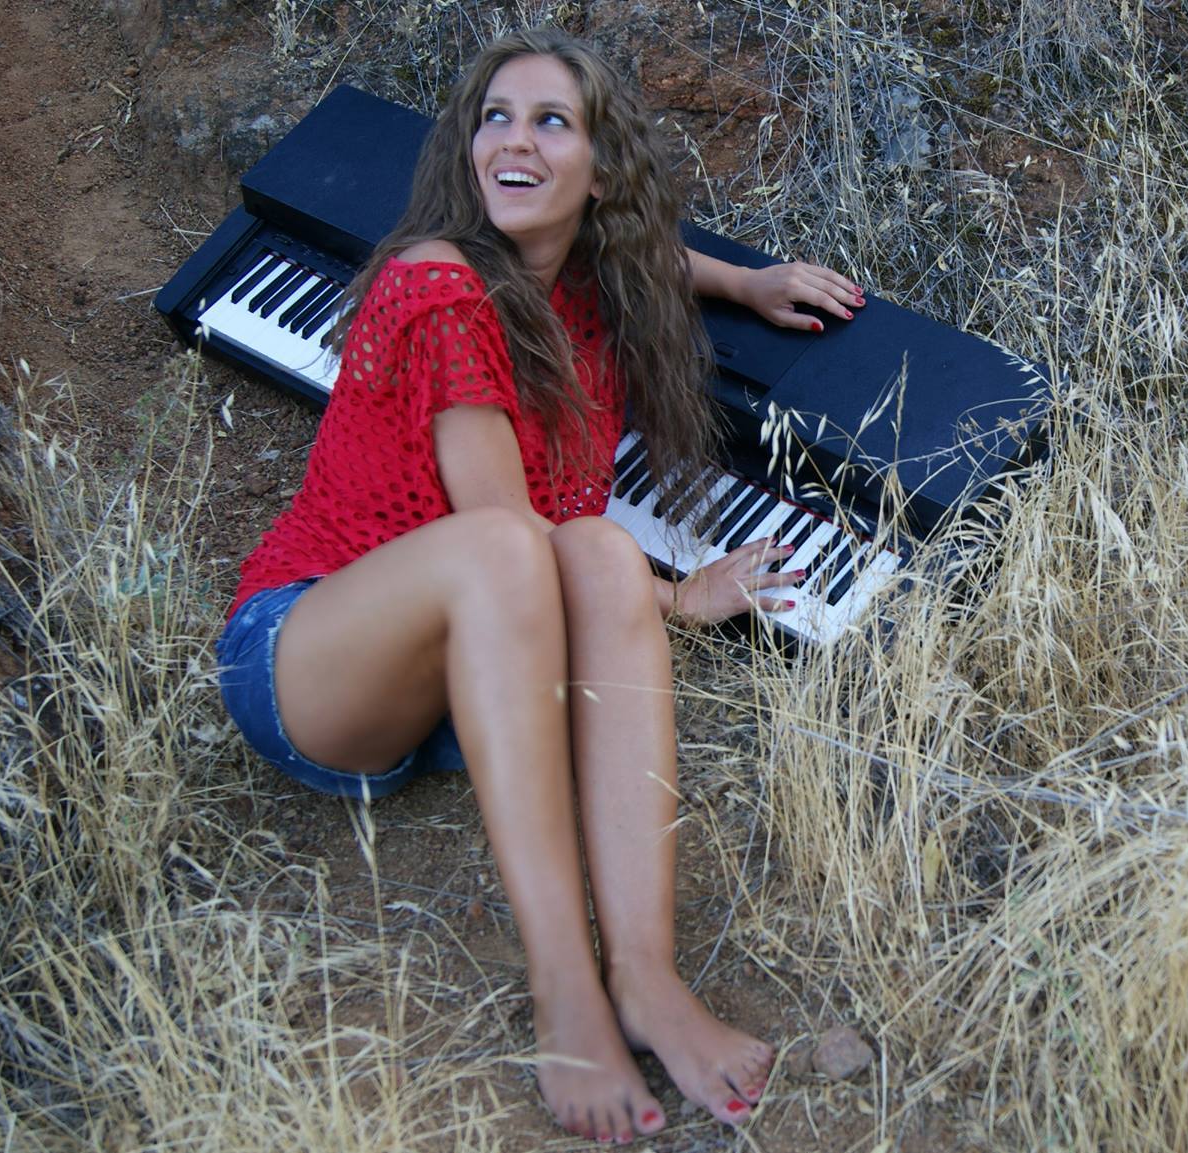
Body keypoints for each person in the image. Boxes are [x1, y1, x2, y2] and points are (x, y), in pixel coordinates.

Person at [213, 27, 866, 1144]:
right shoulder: (438, 283)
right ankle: (566, 989)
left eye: (550, 122)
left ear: (599, 172)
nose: (512, 141)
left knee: (602, 549)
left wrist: (745, 281)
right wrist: (681, 600)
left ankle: (646, 976)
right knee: (523, 545)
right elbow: (505, 535)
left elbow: (653, 257)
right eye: (496, 118)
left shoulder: (585, 281)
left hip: (460, 695)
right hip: (307, 662)